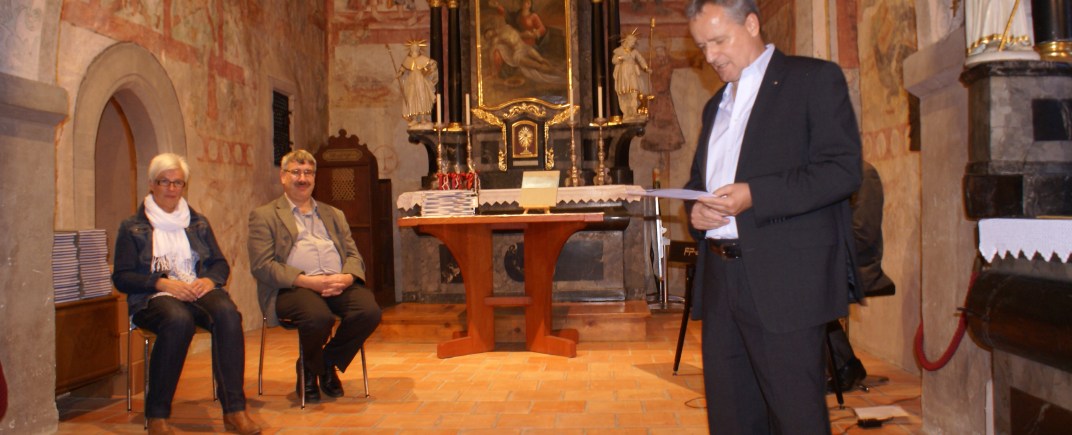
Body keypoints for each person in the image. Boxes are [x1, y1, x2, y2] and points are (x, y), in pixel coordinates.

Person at [682, 1, 862, 433]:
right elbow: (697, 182)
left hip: (786, 281)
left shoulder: (812, 80)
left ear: (751, 24)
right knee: (732, 418)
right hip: (721, 281)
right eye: (702, 47)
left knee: (796, 418)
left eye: (718, 41)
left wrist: (755, 195)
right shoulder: (714, 106)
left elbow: (841, 170)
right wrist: (696, 211)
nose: (710, 57)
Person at [112, 153, 260, 435]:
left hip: (195, 288)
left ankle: (234, 411)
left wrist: (208, 280)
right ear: (151, 184)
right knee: (178, 320)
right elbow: (122, 277)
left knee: (228, 314)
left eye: (177, 182)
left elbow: (219, 264)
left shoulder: (197, 222)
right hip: (153, 298)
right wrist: (161, 284)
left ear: (184, 185)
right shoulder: (131, 227)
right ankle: (157, 415)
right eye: (164, 181)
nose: (171, 188)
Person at [248, 149, 382, 403]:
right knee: (318, 317)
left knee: (369, 312)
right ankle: (317, 370)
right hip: (292, 287)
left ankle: (318, 365)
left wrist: (347, 277)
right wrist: (307, 281)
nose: (302, 178)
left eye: (308, 172)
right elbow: (262, 265)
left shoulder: (333, 214)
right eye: (296, 172)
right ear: (283, 177)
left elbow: (354, 256)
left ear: (314, 177)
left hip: (336, 283)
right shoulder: (265, 215)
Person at [827, 161, 897, 393]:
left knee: (806, 294)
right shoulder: (832, 173)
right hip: (835, 261)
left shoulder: (865, 175)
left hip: (857, 265)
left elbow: (863, 233)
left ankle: (845, 365)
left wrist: (825, 255)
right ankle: (842, 365)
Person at [397, 40, 438, 129]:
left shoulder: (422, 58)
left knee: (422, 97)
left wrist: (433, 66)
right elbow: (403, 68)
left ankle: (423, 118)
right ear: (410, 48)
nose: (414, 48)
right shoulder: (408, 59)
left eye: (416, 47)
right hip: (411, 81)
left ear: (419, 48)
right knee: (411, 98)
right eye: (413, 47)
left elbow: (432, 63)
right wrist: (399, 73)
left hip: (420, 80)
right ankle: (414, 118)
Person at [612, 31, 651, 121]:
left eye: (634, 42)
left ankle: (634, 111)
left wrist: (646, 68)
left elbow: (641, 59)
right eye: (632, 42)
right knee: (625, 91)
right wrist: (621, 58)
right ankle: (627, 112)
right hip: (624, 72)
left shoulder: (634, 52)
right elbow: (614, 60)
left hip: (632, 72)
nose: (633, 44)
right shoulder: (619, 50)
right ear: (627, 41)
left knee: (634, 89)